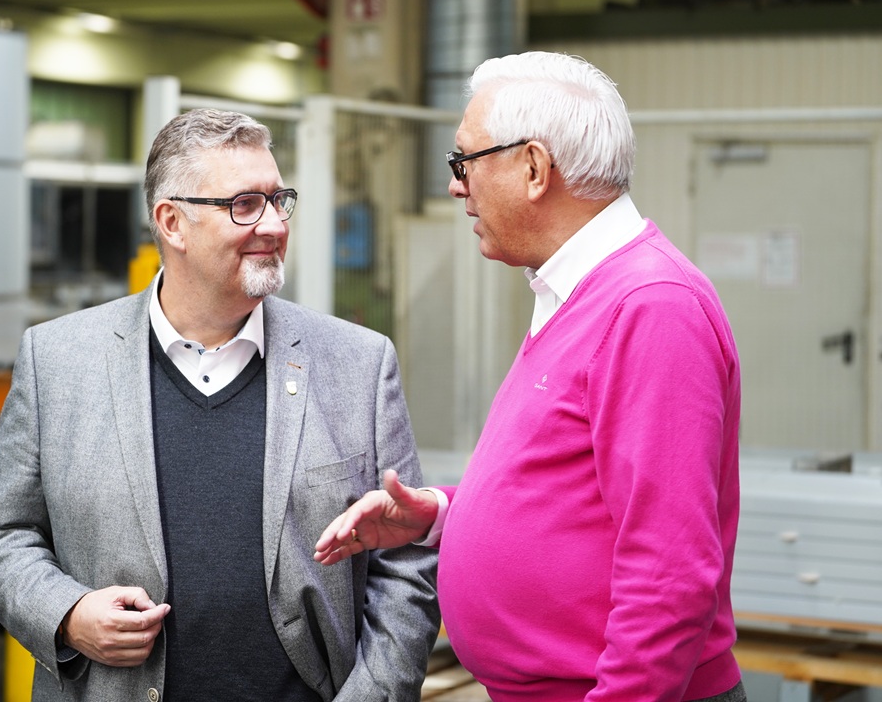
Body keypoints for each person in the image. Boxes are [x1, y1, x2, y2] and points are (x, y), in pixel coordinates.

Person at [0, 108, 439, 702]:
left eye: (277, 199)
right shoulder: (57, 360)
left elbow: (406, 564)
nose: (272, 225)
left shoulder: (359, 364)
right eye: (244, 205)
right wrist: (68, 614)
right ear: (173, 223)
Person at [315, 52, 745, 702]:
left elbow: (669, 575)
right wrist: (442, 515)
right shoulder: (577, 295)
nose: (457, 185)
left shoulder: (651, 306)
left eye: (465, 161)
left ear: (535, 167)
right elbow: (568, 487)